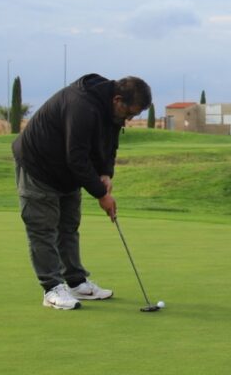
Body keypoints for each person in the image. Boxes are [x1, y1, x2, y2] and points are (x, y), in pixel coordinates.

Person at [12, 74, 152, 310]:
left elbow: (110, 142)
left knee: (68, 226)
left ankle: (76, 282)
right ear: (118, 99)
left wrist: (106, 173)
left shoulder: (110, 109)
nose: (129, 119)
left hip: (65, 171)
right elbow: (76, 156)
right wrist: (101, 194)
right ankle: (52, 289)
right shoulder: (82, 106)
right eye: (129, 113)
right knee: (43, 228)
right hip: (38, 165)